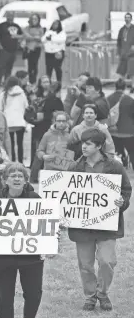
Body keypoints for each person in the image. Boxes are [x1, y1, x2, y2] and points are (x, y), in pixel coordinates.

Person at [67, 128, 131, 312]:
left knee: (107, 261)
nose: (83, 147)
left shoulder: (115, 166)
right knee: (85, 265)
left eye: (88, 144)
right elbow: (66, 194)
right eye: (82, 143)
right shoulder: (74, 167)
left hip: (107, 223)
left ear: (99, 146)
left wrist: (122, 201)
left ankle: (102, 293)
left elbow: (126, 189)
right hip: (82, 225)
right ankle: (90, 296)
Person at [0, 163, 44, 318]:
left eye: (20, 176)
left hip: (30, 254)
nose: (17, 178)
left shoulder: (35, 199)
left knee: (33, 294)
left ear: (26, 180)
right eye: (12, 175)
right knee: (4, 296)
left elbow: (45, 223)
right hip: (4, 256)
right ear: (5, 180)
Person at [29, 78, 64, 182]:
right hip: (44, 129)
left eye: (48, 82)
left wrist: (44, 116)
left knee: (43, 153)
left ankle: (36, 177)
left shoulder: (47, 99)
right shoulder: (41, 98)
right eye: (44, 82)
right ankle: (38, 177)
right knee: (43, 153)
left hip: (45, 129)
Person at [0, 76, 28, 163]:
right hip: (20, 122)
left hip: (8, 123)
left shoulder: (3, 95)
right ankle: (21, 162)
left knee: (10, 145)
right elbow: (26, 106)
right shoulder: (22, 94)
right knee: (20, 144)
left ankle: (12, 161)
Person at [107, 78, 134, 168]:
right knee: (132, 151)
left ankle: (123, 168)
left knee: (118, 152)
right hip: (128, 132)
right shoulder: (130, 100)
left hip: (113, 131)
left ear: (115, 87)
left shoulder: (108, 99)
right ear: (125, 87)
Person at [0, 12, 23, 88]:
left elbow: (22, 35)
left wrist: (18, 40)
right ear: (6, 16)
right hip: (3, 50)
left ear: (14, 16)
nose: (10, 17)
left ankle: (6, 83)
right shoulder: (1, 26)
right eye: (9, 15)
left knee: (9, 68)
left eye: (12, 15)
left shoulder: (17, 26)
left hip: (13, 51)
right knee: (0, 67)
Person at [41, 20, 66, 86]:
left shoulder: (62, 33)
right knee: (48, 68)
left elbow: (61, 39)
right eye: (54, 24)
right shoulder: (48, 32)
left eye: (57, 24)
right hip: (48, 53)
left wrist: (51, 38)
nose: (55, 25)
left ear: (59, 25)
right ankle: (48, 84)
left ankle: (59, 83)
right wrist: (47, 38)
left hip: (58, 52)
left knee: (57, 68)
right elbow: (43, 39)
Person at [23, 13, 44, 84]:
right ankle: (30, 80)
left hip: (37, 49)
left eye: (36, 19)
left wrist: (33, 38)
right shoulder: (27, 28)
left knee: (35, 65)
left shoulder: (40, 29)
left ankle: (34, 81)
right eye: (33, 19)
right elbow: (26, 36)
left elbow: (41, 38)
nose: (34, 20)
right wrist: (35, 37)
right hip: (29, 49)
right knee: (29, 65)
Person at [116, 12, 134, 92]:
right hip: (123, 54)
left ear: (131, 19)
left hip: (132, 54)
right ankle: (120, 87)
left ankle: (133, 87)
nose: (127, 19)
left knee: (132, 72)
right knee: (121, 72)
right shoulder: (121, 30)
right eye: (126, 17)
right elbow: (118, 42)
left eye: (128, 17)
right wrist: (118, 52)